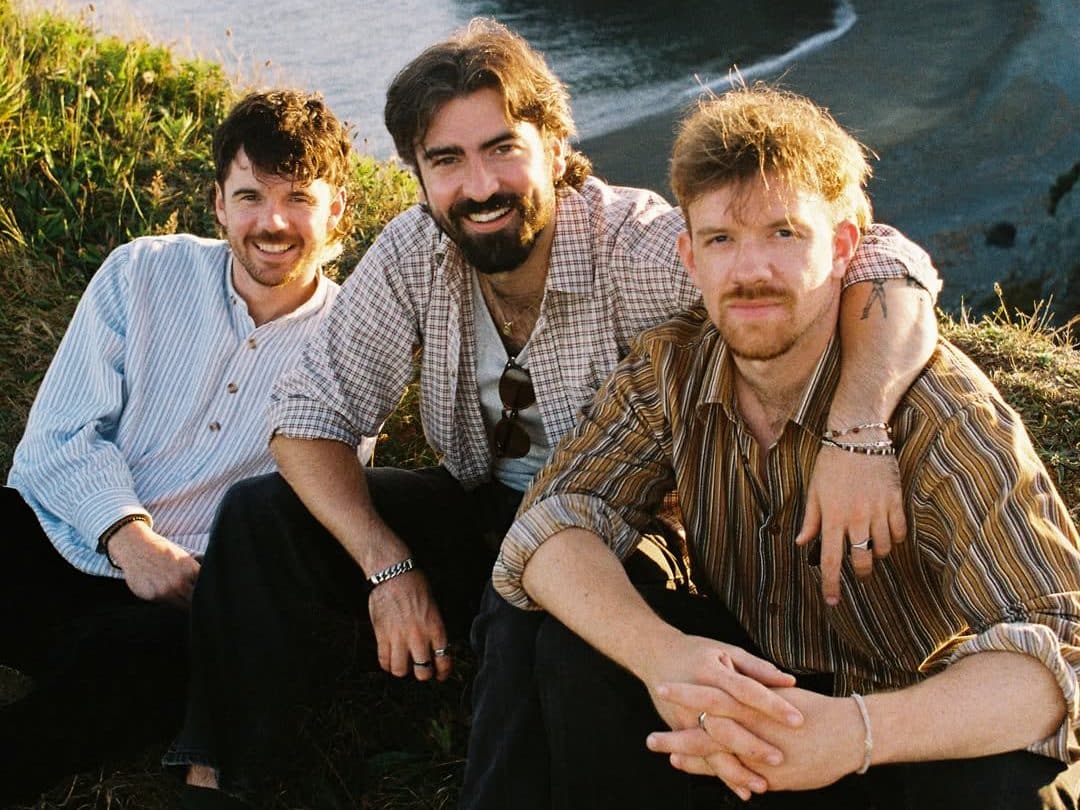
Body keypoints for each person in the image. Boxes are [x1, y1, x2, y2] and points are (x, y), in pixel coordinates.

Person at [172, 19, 941, 807]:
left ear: (553, 144)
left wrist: (859, 430)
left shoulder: (635, 248)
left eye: (503, 148)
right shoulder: (414, 252)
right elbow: (308, 417)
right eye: (447, 160)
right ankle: (220, 778)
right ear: (417, 173)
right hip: (480, 505)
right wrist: (387, 567)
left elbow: (883, 257)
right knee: (260, 510)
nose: (479, 187)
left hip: (630, 529)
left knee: (530, 603)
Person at [483, 84, 1080, 810]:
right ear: (690, 256)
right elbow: (552, 521)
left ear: (843, 248)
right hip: (752, 711)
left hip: (902, 733)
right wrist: (669, 661)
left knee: (1009, 784)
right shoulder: (669, 368)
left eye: (783, 234)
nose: (750, 270)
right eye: (722, 240)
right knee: (575, 642)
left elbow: (1061, 650)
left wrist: (852, 733)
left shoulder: (937, 408)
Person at [0, 88, 363, 803]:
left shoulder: (351, 338)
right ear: (219, 202)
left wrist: (192, 578)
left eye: (298, 198)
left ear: (336, 211)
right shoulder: (142, 271)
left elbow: (315, 508)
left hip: (180, 606)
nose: (273, 222)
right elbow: (57, 436)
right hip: (66, 538)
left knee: (141, 663)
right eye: (251, 195)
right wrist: (128, 538)